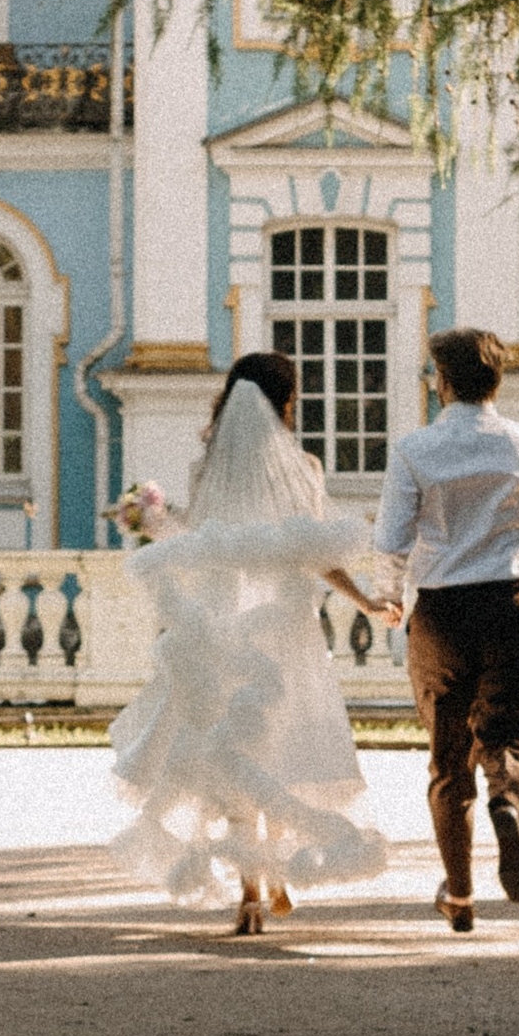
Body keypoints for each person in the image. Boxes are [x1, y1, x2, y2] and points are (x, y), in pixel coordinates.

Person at [108, 353, 390, 934]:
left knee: (227, 745)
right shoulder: (304, 468)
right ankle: (276, 871)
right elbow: (316, 554)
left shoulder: (207, 469)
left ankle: (250, 893)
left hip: (223, 623)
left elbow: (202, 540)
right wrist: (365, 600)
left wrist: (152, 518)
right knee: (280, 743)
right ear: (285, 402)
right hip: (285, 623)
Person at [374, 324, 519, 933]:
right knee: (507, 735)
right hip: (512, 605)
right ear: (496, 381)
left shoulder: (415, 450)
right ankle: (507, 803)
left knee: (448, 758)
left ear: (441, 382)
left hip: (442, 613)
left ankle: (461, 894)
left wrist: (390, 597)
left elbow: (391, 539)